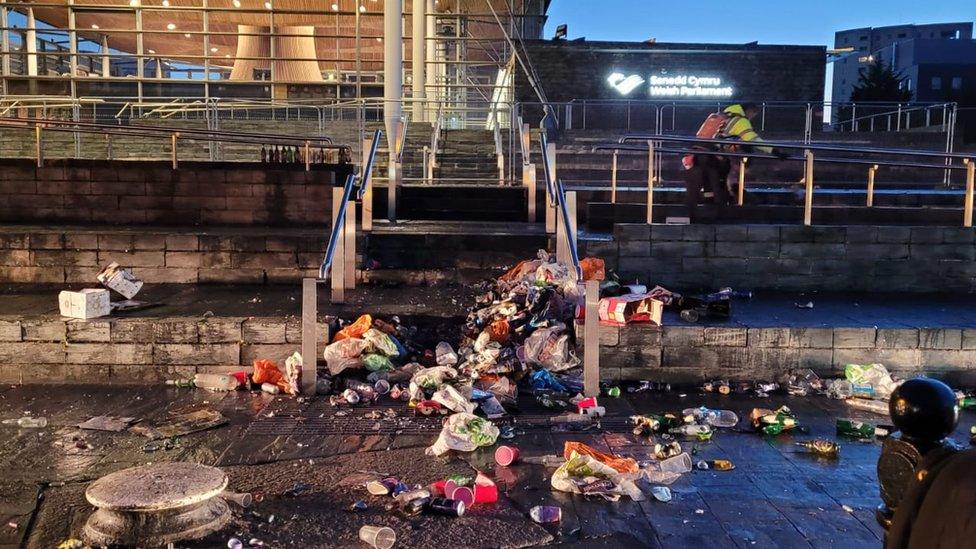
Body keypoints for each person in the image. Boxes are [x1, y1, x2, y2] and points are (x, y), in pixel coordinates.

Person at [681, 103, 783, 218]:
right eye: (753, 115)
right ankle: (718, 220)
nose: (752, 118)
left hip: (695, 155)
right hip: (714, 158)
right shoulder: (740, 120)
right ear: (750, 111)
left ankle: (688, 219)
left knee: (696, 190)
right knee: (718, 188)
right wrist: (774, 151)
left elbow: (705, 136)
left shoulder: (716, 116)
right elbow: (753, 139)